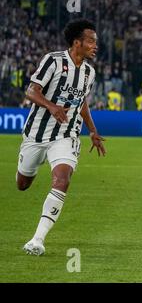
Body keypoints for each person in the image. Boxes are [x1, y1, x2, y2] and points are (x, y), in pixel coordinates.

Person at [17, 19, 106, 256]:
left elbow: (83, 103)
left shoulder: (89, 72)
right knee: (22, 184)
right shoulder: (53, 61)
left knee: (63, 179)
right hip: (36, 133)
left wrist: (93, 130)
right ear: (77, 42)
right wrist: (51, 106)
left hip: (66, 134)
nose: (95, 45)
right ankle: (32, 167)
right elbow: (31, 91)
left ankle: (37, 240)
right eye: (90, 41)